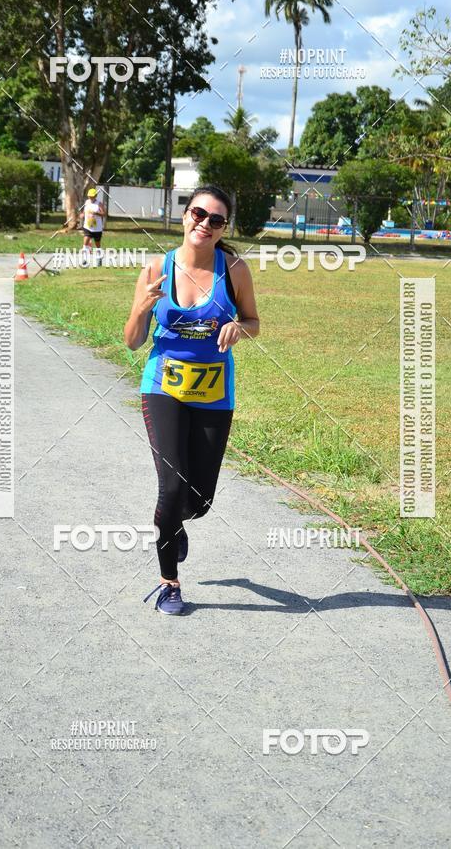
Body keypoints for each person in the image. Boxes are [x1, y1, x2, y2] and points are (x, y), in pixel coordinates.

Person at [123, 185, 260, 615]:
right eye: (198, 214)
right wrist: (142, 308)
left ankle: (175, 524)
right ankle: (168, 583)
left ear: (223, 229)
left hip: (214, 393)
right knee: (172, 486)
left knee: (198, 500)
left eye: (215, 220)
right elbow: (131, 341)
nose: (204, 223)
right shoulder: (156, 268)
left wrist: (240, 328)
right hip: (162, 387)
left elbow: (254, 321)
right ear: (185, 215)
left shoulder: (234, 268)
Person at [80, 187, 106, 264]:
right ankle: (84, 260)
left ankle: (99, 259)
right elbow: (84, 211)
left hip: (97, 228)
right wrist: (82, 214)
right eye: (89, 196)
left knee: (97, 244)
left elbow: (104, 214)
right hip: (87, 226)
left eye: (92, 196)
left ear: (95, 196)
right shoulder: (87, 202)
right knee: (85, 243)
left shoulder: (99, 204)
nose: (90, 197)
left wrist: (96, 213)